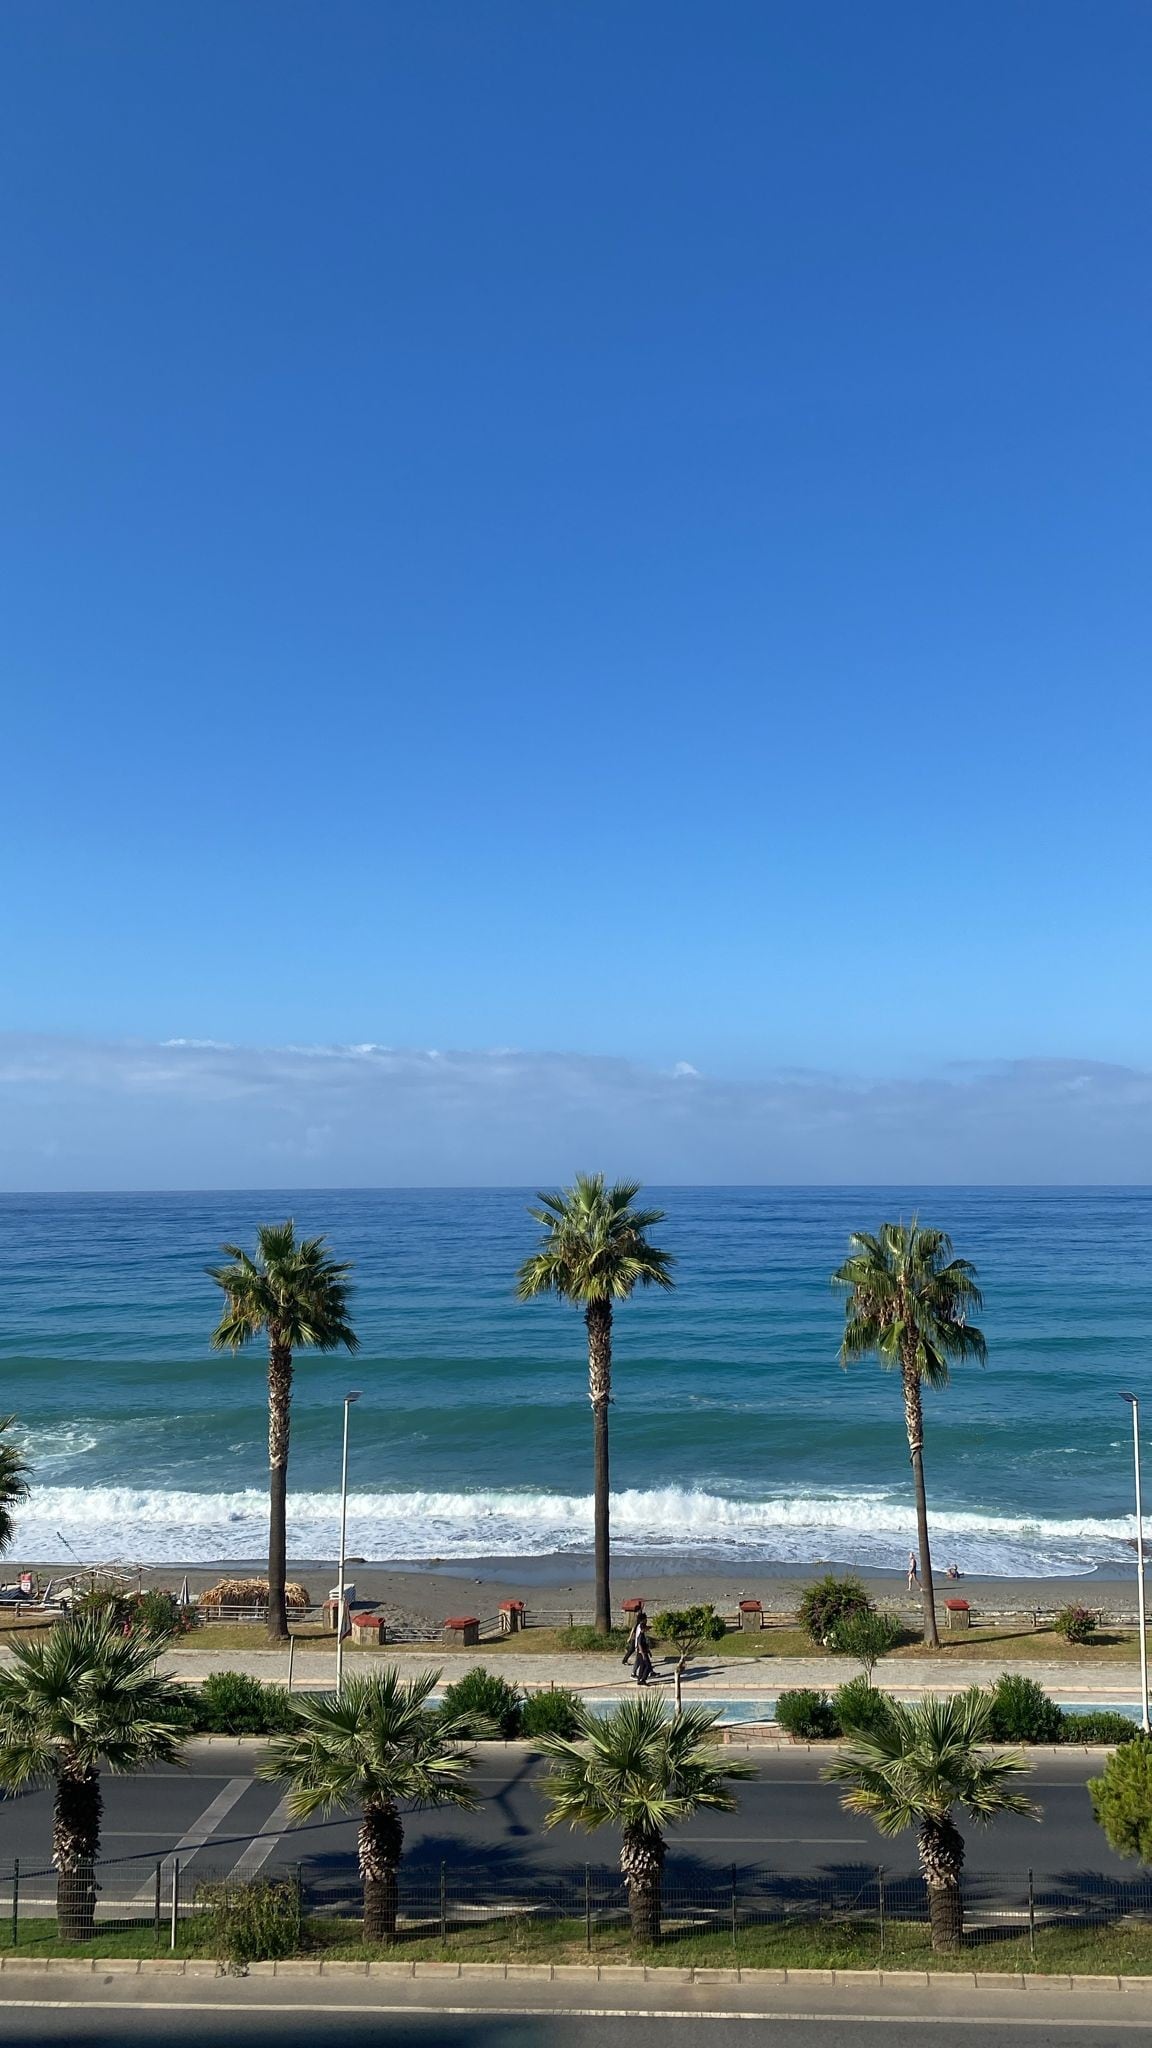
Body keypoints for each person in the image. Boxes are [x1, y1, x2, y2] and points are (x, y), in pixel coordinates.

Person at [631, 1616, 654, 1686]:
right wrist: (643, 1654)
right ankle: (643, 1679)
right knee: (647, 1666)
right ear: (643, 1629)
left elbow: (644, 1645)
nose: (646, 1630)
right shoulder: (640, 1636)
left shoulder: (642, 1635)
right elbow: (640, 1645)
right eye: (645, 1628)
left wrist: (648, 1651)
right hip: (641, 1653)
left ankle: (640, 1680)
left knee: (642, 1666)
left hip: (643, 1652)